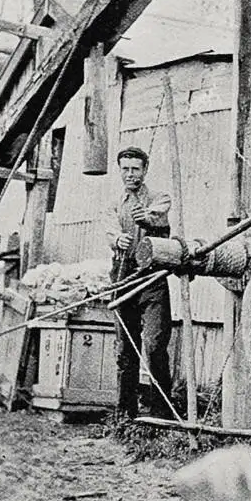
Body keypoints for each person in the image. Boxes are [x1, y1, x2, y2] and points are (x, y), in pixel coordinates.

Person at [105, 146, 173, 419]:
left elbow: (161, 214)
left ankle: (162, 413)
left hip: (153, 277)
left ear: (145, 170)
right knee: (125, 348)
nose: (130, 174)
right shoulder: (114, 202)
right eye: (125, 169)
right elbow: (110, 227)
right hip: (123, 275)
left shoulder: (159, 197)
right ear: (120, 170)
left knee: (155, 344)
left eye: (136, 169)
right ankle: (126, 415)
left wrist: (147, 216)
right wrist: (117, 239)